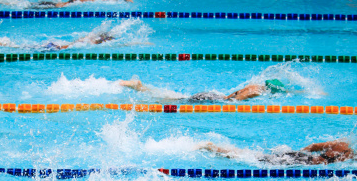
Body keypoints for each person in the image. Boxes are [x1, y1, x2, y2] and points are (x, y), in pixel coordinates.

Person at [119, 78, 287, 102]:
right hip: (214, 99)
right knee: (173, 102)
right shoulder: (255, 91)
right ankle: (139, 88)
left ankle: (141, 87)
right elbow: (234, 101)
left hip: (213, 95)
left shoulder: (254, 86)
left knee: (177, 98)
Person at [198, 140, 354, 165]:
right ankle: (212, 147)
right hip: (300, 162)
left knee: (256, 157)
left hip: (299, 157)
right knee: (255, 159)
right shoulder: (350, 151)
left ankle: (215, 147)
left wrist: (298, 153)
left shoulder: (343, 143)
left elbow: (313, 146)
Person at [0, 31, 114, 52]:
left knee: (17, 47)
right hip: (53, 48)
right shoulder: (89, 44)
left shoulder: (86, 40)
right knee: (16, 48)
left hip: (53, 45)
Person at [27, 0, 133, 9]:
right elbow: (104, 0)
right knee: (27, 7)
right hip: (52, 6)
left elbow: (103, 0)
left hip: (53, 4)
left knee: (29, 5)